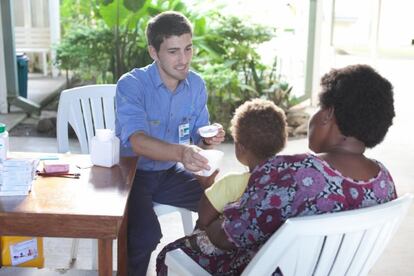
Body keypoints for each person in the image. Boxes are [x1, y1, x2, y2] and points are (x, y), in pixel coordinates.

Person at [156, 64, 397, 275]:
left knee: (174, 252)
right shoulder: (384, 181)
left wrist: (213, 210)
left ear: (328, 114)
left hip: (272, 268)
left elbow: (225, 237)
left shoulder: (293, 173)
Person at [115, 11, 225, 275]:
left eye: (188, 49)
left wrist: (208, 139)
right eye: (174, 51)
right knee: (144, 235)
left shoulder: (196, 84)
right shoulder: (132, 85)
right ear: (154, 52)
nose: (184, 59)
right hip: (132, 174)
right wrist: (182, 152)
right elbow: (137, 141)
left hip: (170, 173)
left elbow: (198, 138)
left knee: (224, 206)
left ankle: (201, 259)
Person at [196, 98, 287, 231]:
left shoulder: (231, 183)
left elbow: (204, 220)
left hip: (233, 247)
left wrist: (207, 186)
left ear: (240, 147)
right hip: (270, 248)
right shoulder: (287, 177)